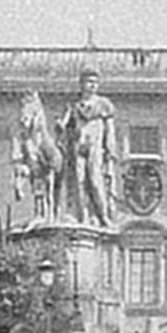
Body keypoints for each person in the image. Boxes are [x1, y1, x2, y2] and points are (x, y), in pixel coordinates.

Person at [56, 66, 117, 226]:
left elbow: (110, 131)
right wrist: (60, 126)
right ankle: (83, 216)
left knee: (95, 181)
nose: (92, 85)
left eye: (95, 82)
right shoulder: (74, 105)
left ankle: (103, 215)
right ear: (81, 84)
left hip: (95, 149)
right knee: (79, 181)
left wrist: (110, 150)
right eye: (89, 82)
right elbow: (65, 124)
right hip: (78, 147)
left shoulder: (103, 105)